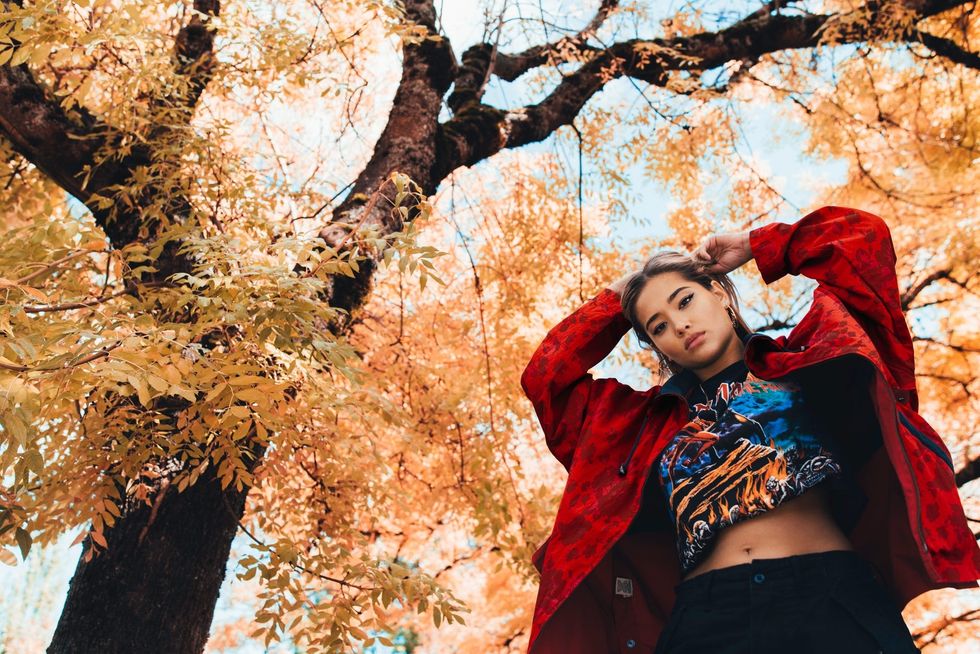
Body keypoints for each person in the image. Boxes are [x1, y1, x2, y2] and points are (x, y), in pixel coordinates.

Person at [520, 206, 980, 654]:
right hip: (708, 617)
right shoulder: (637, 425)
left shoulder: (807, 358)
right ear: (656, 345)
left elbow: (863, 243)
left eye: (685, 300)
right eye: (658, 325)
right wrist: (618, 301)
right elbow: (546, 378)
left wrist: (756, 245)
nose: (679, 324)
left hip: (834, 595)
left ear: (719, 293)